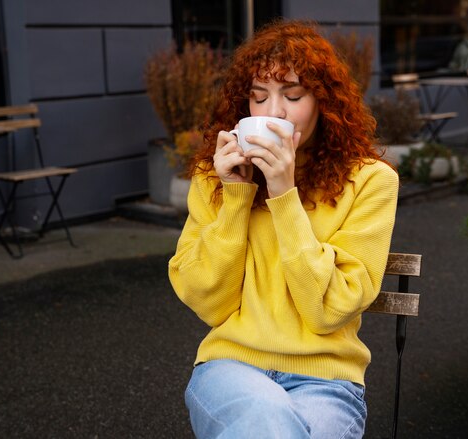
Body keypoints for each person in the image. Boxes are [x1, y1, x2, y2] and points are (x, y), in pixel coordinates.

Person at [168, 19, 399, 438]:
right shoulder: (214, 178)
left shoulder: (371, 181)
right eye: (258, 97)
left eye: (292, 95)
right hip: (230, 368)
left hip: (326, 381)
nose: (273, 112)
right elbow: (208, 302)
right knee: (266, 418)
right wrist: (236, 196)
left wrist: (282, 193)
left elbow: (328, 311)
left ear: (324, 103)